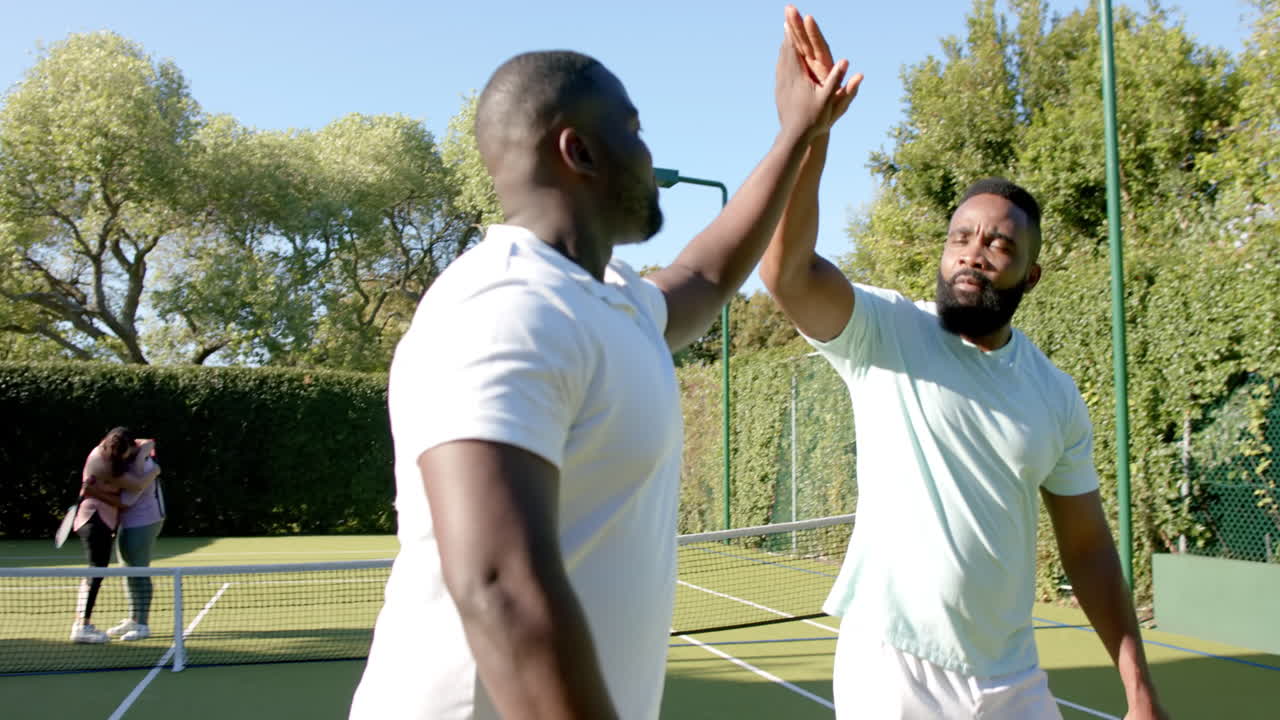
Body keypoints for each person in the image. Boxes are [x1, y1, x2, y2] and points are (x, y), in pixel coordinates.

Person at [348, 11, 861, 720]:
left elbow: (705, 276)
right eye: (636, 129)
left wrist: (799, 132)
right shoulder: (502, 305)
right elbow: (497, 583)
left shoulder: (606, 300)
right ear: (579, 151)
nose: (650, 155)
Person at [759, 11, 1169, 719]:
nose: (975, 250)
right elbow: (786, 274)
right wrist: (811, 137)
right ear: (944, 253)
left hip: (1010, 676)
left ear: (1030, 276)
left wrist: (1139, 686)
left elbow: (1089, 549)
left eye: (999, 245)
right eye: (961, 237)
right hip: (895, 669)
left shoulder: (1055, 395)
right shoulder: (886, 332)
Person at [70, 427, 161, 644]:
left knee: (126, 568)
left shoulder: (114, 448)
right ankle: (82, 626)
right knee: (97, 572)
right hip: (95, 519)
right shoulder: (103, 464)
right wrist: (156, 470)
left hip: (111, 520)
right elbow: (133, 490)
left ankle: (137, 620)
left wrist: (148, 445)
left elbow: (145, 441)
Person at [106, 437, 165, 642]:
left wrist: (95, 493)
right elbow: (146, 441)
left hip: (144, 521)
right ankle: (133, 618)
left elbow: (127, 500)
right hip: (127, 522)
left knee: (139, 569)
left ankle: (143, 624)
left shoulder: (144, 466)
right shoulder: (130, 458)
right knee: (127, 569)